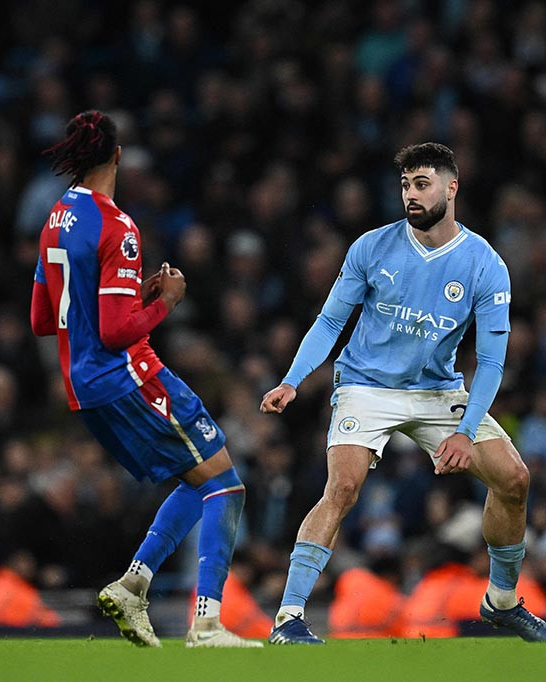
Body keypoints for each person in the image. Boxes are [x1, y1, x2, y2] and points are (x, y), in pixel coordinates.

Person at [260, 142, 546, 644]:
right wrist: (292, 378)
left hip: (437, 391)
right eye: (405, 186)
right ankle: (289, 617)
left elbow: (495, 360)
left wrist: (461, 430)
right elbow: (331, 321)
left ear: (451, 188)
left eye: (422, 184)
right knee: (343, 487)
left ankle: (501, 602)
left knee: (514, 480)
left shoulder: (485, 264)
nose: (410, 195)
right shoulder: (371, 247)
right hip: (366, 386)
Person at [30, 110, 260, 648]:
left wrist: (136, 296)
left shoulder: (55, 219)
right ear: (116, 156)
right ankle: (206, 624)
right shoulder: (118, 227)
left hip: (83, 389)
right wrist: (167, 304)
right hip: (130, 375)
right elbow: (116, 332)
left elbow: (43, 320)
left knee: (197, 478)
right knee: (227, 482)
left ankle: (135, 585)